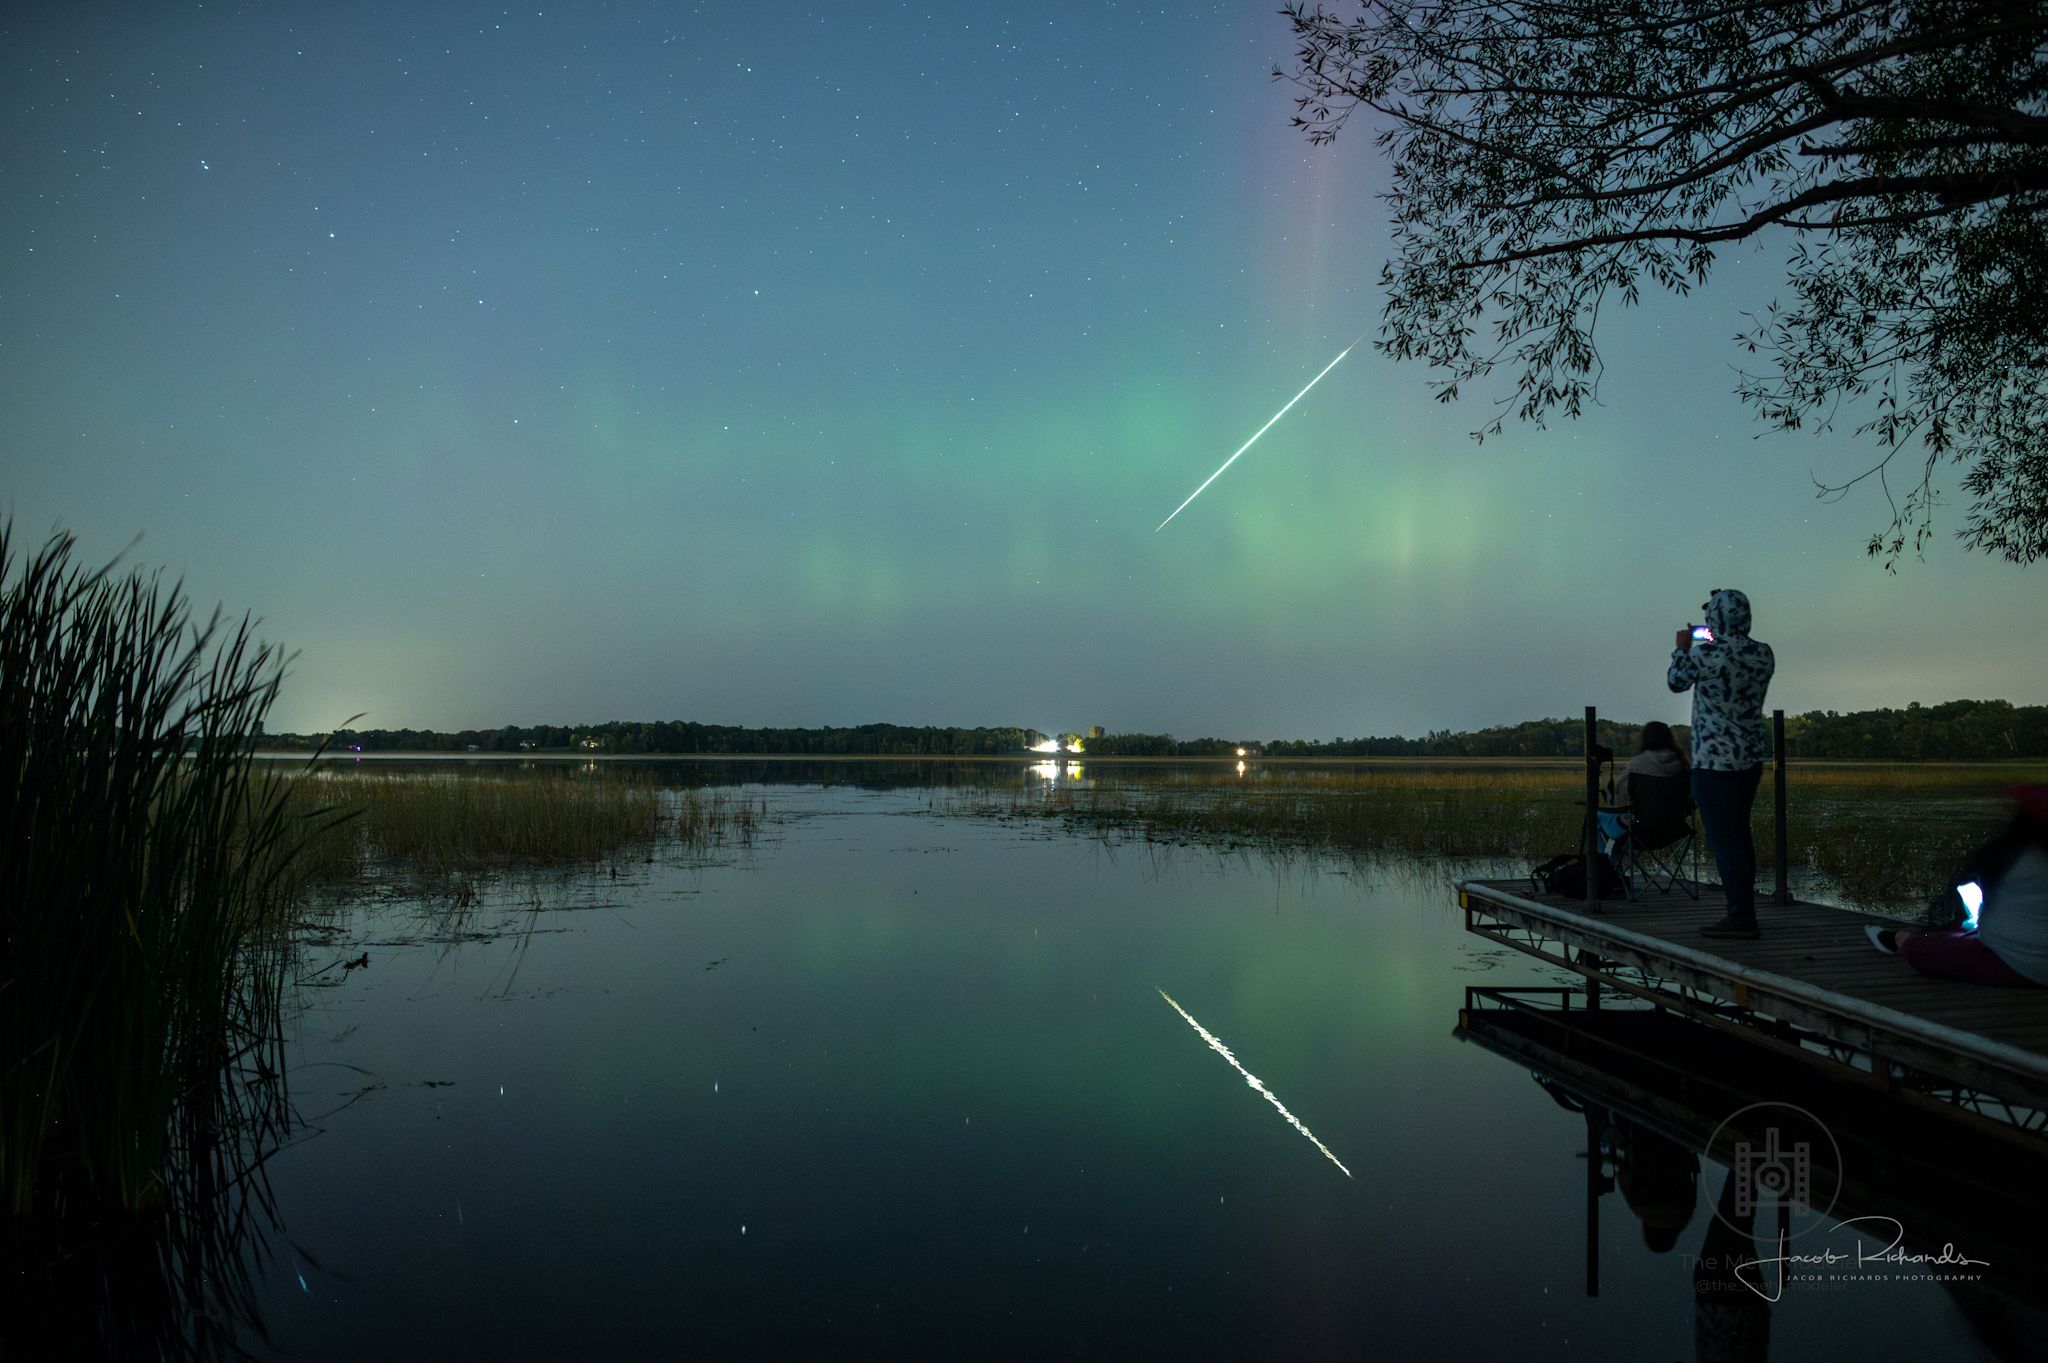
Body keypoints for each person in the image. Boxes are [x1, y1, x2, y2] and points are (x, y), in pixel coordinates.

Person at [1668, 589, 1774, 940]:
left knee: (1724, 842)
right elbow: (1732, 648)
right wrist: (1719, 625)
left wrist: (1682, 647)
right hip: (1749, 760)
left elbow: (1675, 682)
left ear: (1714, 618)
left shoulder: (1703, 655)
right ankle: (1744, 911)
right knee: (1740, 837)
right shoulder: (1763, 654)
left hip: (1713, 765)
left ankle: (1741, 917)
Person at [1867, 786, 2048, 987]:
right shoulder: (2022, 856)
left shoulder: (2019, 856)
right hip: (2015, 946)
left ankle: (1904, 939)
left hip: (2017, 963)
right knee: (1966, 925)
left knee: (1917, 950)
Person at [1597, 721, 1690, 860]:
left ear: (1645, 739)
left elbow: (1622, 796)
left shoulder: (1638, 764)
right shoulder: (1683, 764)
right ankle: (1612, 867)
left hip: (1641, 832)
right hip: (1675, 830)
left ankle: (1606, 870)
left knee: (1596, 816)